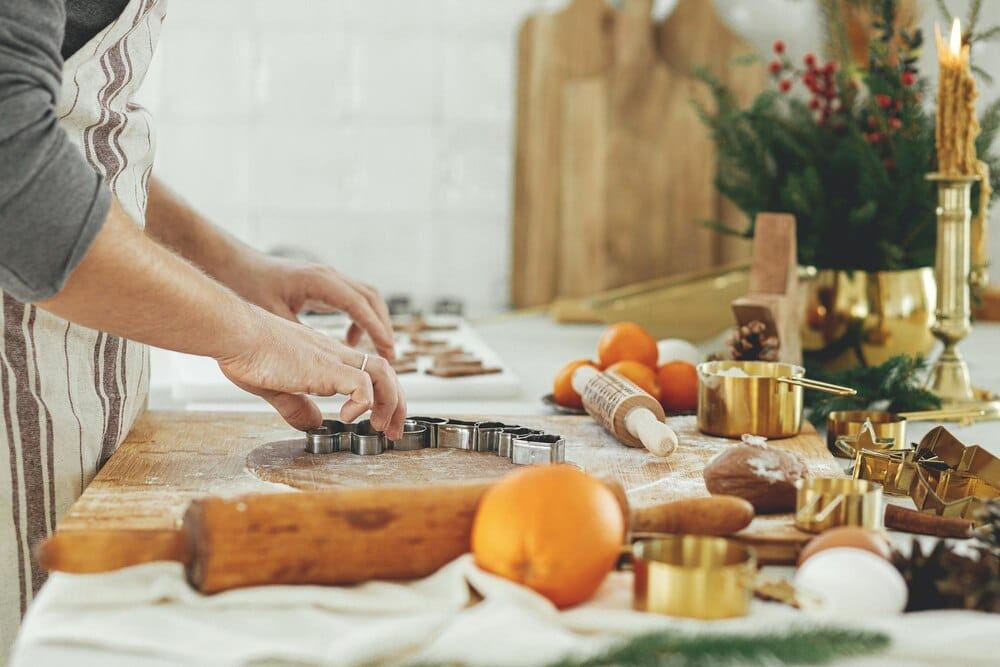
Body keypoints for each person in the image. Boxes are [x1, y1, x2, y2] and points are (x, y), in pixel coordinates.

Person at [0, 0, 406, 655]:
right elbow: (13, 167)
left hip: (60, 398)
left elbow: (69, 141)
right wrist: (250, 336)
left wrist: (233, 268)